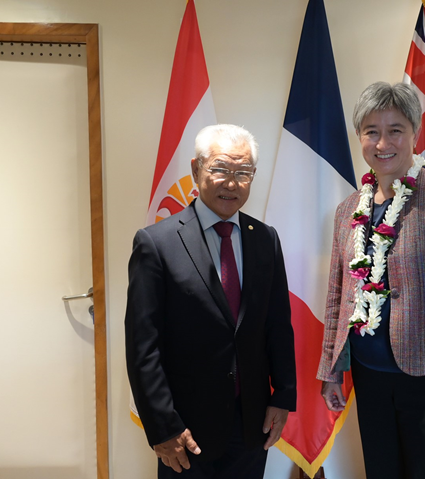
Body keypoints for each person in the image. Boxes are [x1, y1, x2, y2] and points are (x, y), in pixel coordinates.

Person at [317, 82, 425, 478]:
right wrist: (331, 368)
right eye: (372, 131)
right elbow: (337, 296)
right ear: (360, 137)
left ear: (414, 133)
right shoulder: (348, 210)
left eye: (395, 129)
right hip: (369, 378)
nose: (383, 142)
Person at [125, 124, 296, 479]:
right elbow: (143, 347)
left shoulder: (266, 239)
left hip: (251, 422)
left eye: (243, 172)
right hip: (185, 428)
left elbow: (278, 324)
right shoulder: (156, 243)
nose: (231, 183)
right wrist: (162, 426)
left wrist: (282, 396)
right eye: (219, 169)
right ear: (195, 169)